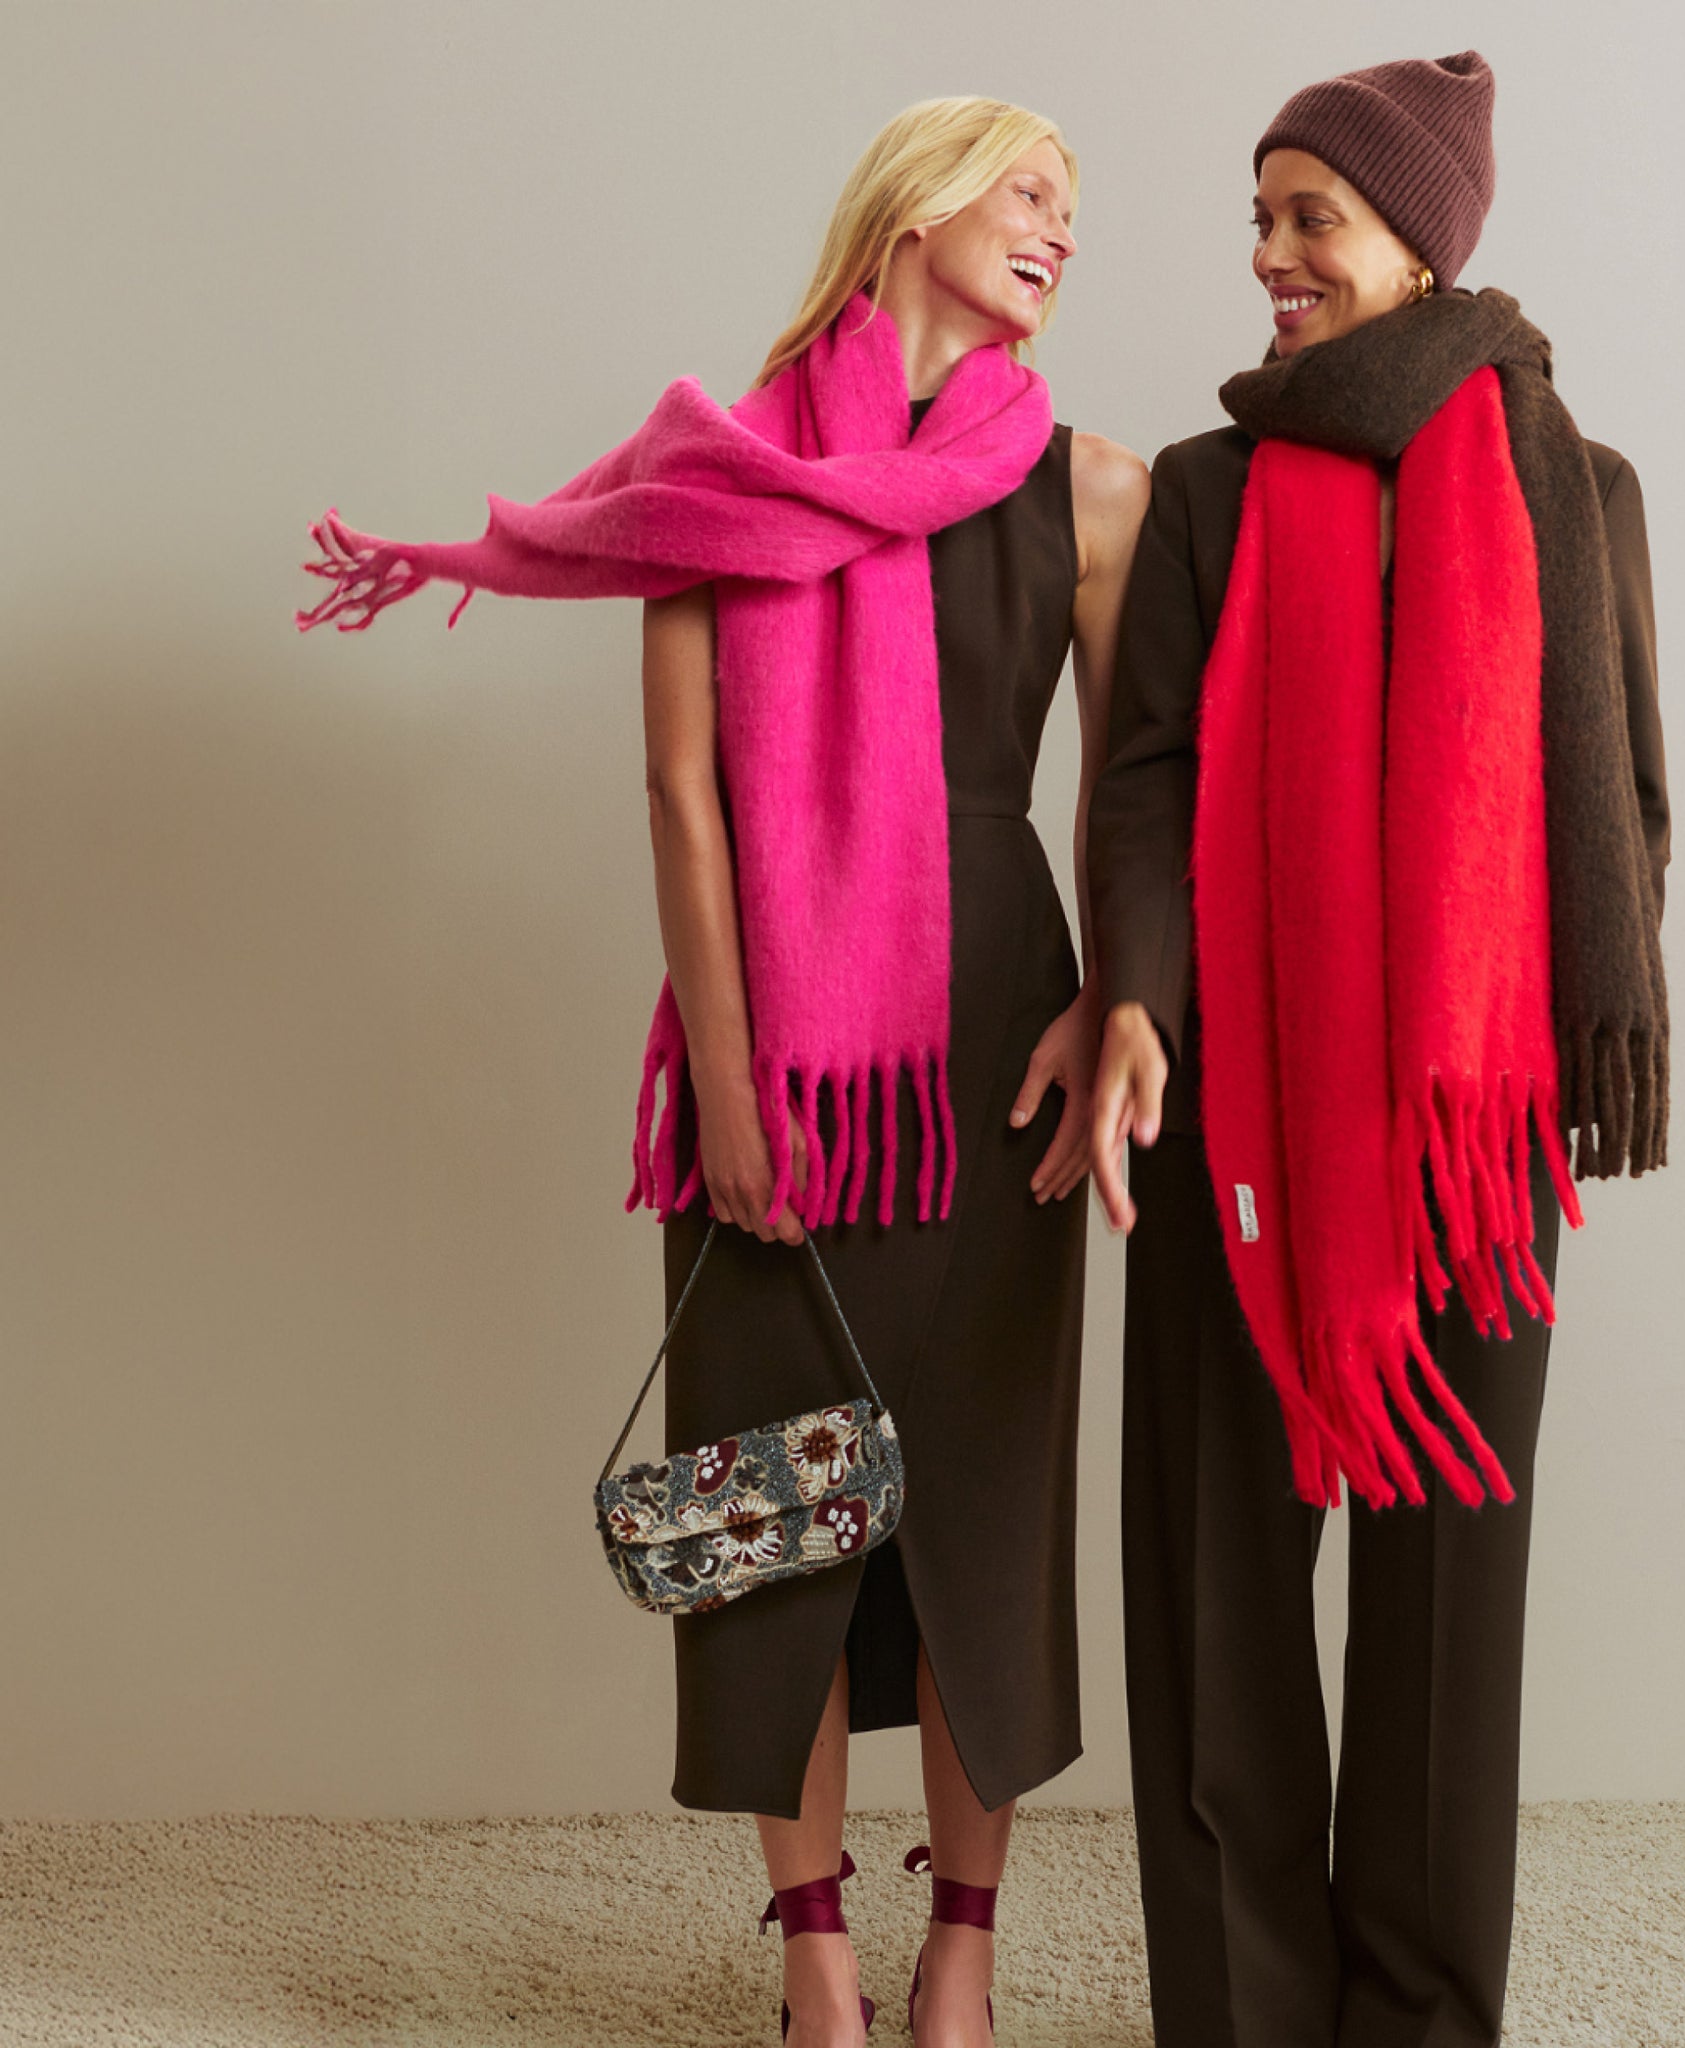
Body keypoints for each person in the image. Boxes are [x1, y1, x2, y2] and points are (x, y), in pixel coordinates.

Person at [299, 95, 1147, 2048]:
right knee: (770, 1514)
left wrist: (1105, 994)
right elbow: (683, 796)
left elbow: (1122, 791)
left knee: (984, 1509)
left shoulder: (1093, 490)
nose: (1059, 229)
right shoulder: (722, 471)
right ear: (917, 204)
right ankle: (813, 1953)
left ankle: (963, 1949)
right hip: (774, 1058)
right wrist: (742, 1092)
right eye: (1030, 189)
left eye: (1072, 209)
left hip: (991, 1055)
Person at [1087, 54, 1670, 2048]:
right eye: (1259, 217)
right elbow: (1146, 781)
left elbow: (1627, 803)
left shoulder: (1576, 490)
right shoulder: (1209, 491)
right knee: (1217, 1590)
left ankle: (1418, 2017)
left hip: (1468, 1136)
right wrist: (1140, 994)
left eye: (1308, 216)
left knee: (1446, 1605)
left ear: (1418, 239)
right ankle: (1244, 2014)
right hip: (1234, 1110)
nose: (1268, 253)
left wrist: (1511, 1023)